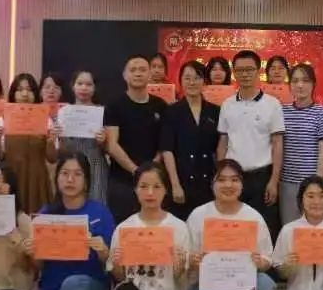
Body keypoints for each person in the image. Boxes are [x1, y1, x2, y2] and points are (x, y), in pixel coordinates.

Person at [186, 159, 275, 290]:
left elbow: (268, 258)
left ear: (242, 184)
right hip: (206, 285)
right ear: (212, 184)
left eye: (234, 180)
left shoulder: (253, 217)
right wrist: (193, 260)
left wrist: (260, 262)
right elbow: (186, 255)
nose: (228, 185)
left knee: (265, 284)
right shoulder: (198, 216)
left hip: (243, 284)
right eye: (222, 180)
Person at [29, 152, 115, 290]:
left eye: (77, 174)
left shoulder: (100, 212)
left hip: (89, 285)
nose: (70, 180)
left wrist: (103, 251)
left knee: (73, 285)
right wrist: (32, 252)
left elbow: (111, 262)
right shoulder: (46, 214)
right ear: (56, 177)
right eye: (65, 173)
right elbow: (37, 266)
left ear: (86, 180)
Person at [109, 162, 190, 290]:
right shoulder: (125, 228)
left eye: (156, 186)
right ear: (135, 190)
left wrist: (179, 266)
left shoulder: (179, 227)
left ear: (166, 190)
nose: (150, 193)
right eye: (143, 186)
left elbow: (181, 277)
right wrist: (117, 264)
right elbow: (119, 276)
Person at [217, 50, 285, 242]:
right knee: (233, 230)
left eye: (249, 69)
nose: (245, 74)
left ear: (258, 71)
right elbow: (223, 142)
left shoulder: (272, 104)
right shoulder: (227, 104)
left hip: (262, 177)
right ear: (234, 73)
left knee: (264, 230)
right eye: (240, 70)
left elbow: (277, 144)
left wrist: (274, 181)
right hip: (233, 178)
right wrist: (220, 176)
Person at [105, 55, 168, 222]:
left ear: (149, 74)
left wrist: (151, 170)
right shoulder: (114, 105)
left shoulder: (161, 105)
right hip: (122, 180)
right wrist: (136, 170)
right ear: (124, 75)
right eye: (133, 70)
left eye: (142, 70)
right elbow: (112, 145)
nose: (138, 73)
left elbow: (165, 143)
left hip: (155, 180)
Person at [160, 61, 220, 219]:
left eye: (197, 78)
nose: (192, 82)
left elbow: (219, 148)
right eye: (187, 78)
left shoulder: (215, 111)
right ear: (180, 81)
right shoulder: (172, 111)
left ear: (204, 81)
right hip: (182, 180)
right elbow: (167, 150)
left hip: (208, 181)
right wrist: (175, 184)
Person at [0, 73, 57, 214]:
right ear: (13, 94)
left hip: (37, 178)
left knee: (37, 219)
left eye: (29, 90)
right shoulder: (2, 120)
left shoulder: (46, 120)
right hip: (12, 177)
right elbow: (0, 157)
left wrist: (50, 141)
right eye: (20, 90)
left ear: (35, 94)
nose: (24, 94)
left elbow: (52, 158)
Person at [279, 64, 323, 225]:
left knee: (313, 227)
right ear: (289, 85)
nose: (300, 85)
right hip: (287, 182)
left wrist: (317, 182)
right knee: (289, 227)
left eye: (305, 80)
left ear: (313, 84)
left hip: (311, 183)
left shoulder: (321, 112)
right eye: (295, 81)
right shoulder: (282, 111)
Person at [56, 70, 108, 205]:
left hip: (95, 166)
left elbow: (109, 149)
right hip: (70, 166)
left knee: (95, 205)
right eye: (80, 83)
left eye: (88, 84)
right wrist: (57, 137)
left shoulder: (103, 113)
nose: (84, 88)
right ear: (73, 86)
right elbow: (59, 151)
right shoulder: (63, 112)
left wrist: (103, 142)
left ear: (94, 88)